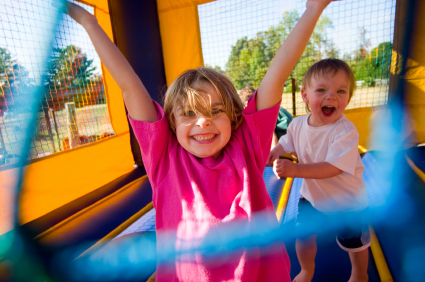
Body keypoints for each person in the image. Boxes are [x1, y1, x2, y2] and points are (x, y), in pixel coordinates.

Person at [63, 0, 335, 281]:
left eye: (215, 112)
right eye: (190, 113)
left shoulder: (246, 145)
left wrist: (313, 9)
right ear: (172, 123)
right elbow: (129, 86)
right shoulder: (163, 156)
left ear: (232, 117)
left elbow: (277, 73)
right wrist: (90, 22)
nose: (203, 121)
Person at [267, 58, 370, 282]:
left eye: (340, 91)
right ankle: (306, 271)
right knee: (304, 236)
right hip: (312, 197)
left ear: (348, 98)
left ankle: (360, 274)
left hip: (347, 201)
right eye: (321, 90)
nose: (331, 96)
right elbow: (288, 142)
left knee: (355, 245)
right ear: (305, 95)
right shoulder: (297, 125)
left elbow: (331, 168)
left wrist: (295, 169)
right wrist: (276, 150)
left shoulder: (345, 131)